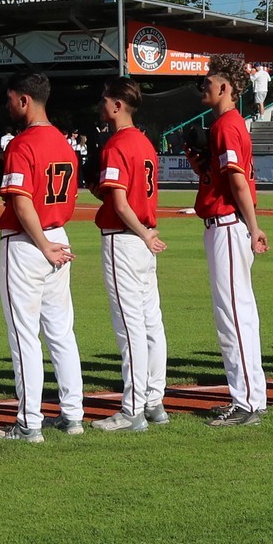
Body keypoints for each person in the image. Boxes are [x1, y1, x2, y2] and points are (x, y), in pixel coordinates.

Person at [0, 70, 84, 442]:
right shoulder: (64, 142)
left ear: (25, 100)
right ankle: (73, 414)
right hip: (58, 235)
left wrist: (42, 243)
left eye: (11, 97)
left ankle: (28, 422)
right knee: (61, 331)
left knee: (24, 334)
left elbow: (21, 200)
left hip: (29, 242)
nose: (9, 104)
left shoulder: (21, 143)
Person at [191, 59, 269, 425]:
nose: (203, 86)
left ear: (225, 88)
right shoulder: (227, 125)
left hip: (228, 225)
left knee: (234, 316)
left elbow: (239, 182)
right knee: (240, 315)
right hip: (226, 223)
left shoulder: (226, 125)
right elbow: (225, 179)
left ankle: (247, 402)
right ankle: (253, 397)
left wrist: (253, 227)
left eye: (209, 82)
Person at [90, 79, 170, 432]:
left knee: (130, 326)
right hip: (142, 237)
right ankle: (154, 401)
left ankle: (132, 409)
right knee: (151, 322)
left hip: (125, 239)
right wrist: (147, 234)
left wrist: (142, 234)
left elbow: (122, 205)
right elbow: (124, 198)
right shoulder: (145, 143)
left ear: (118, 105)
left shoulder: (118, 144)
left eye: (105, 99)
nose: (102, 104)